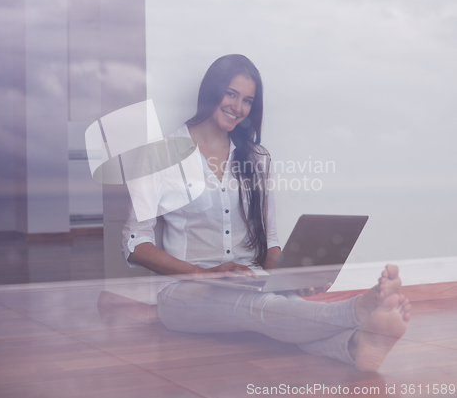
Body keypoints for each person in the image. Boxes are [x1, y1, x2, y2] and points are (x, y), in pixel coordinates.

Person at [122, 54, 410, 372]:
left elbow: (269, 242)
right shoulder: (159, 155)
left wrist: (292, 275)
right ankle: (357, 311)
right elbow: (136, 243)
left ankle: (355, 347)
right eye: (231, 93)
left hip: (250, 281)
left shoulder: (256, 158)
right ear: (211, 91)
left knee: (281, 306)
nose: (238, 107)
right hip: (184, 293)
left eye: (247, 100)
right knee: (261, 307)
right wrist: (201, 273)